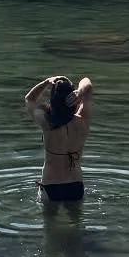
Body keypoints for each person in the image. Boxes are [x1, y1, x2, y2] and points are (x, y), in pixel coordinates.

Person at [23, 72, 93, 204]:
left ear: (53, 101)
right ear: (73, 98)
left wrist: (46, 83)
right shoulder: (83, 120)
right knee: (76, 224)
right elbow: (88, 84)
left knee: (50, 225)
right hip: (75, 185)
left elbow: (29, 99)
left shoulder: (47, 123)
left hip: (51, 186)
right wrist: (79, 92)